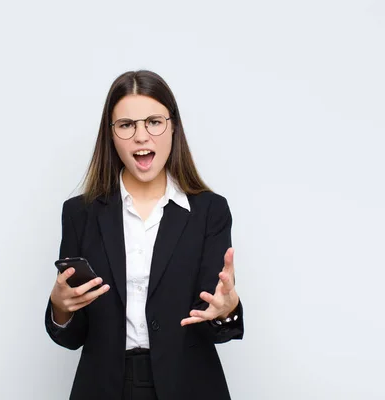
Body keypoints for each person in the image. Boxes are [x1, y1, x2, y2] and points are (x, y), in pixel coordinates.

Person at [45, 70, 244, 400]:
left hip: (189, 386)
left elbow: (214, 318)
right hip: (105, 388)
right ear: (111, 135)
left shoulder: (210, 211)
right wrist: (60, 307)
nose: (141, 136)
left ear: (173, 127)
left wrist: (227, 310)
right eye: (126, 125)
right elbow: (72, 337)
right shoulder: (80, 214)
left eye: (154, 122)